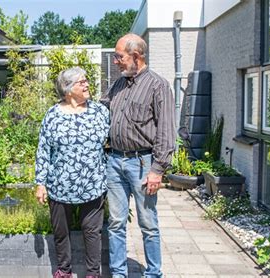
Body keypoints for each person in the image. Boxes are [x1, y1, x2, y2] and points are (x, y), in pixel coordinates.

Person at [100, 33, 176, 278]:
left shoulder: (158, 85)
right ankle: (118, 273)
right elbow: (100, 111)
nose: (115, 61)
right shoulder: (118, 84)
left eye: (119, 56)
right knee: (115, 223)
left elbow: (166, 130)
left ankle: (153, 274)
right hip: (115, 162)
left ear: (136, 56)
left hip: (143, 164)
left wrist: (157, 170)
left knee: (148, 224)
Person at [35, 67, 110, 278]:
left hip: (92, 184)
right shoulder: (52, 115)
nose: (87, 85)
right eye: (81, 82)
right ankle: (64, 271)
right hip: (60, 185)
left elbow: (113, 141)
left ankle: (93, 274)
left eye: (86, 81)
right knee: (61, 233)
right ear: (68, 89)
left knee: (92, 232)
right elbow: (43, 150)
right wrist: (41, 183)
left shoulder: (99, 112)